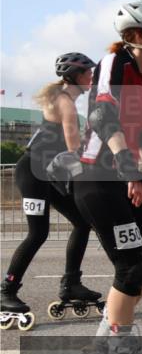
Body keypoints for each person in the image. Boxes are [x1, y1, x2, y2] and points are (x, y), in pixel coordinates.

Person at [73, 0, 142, 352]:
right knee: (132, 270)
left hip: (126, 177)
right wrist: (129, 173)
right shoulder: (113, 63)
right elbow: (102, 115)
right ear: (140, 35)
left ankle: (107, 335)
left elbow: (141, 127)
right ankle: (118, 347)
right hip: (98, 179)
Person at [0, 54, 103, 331]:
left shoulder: (65, 99)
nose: (91, 77)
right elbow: (73, 145)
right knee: (38, 232)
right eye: (88, 73)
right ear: (76, 75)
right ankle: (7, 290)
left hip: (48, 172)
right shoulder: (64, 101)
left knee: (82, 222)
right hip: (33, 171)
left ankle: (71, 283)